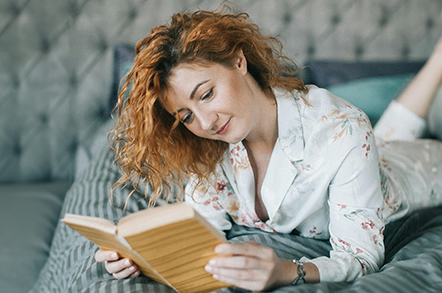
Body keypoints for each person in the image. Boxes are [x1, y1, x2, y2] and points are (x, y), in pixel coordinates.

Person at [95, 7, 442, 291]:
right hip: (370, 150)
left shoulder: (342, 128)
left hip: (415, 174)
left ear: (238, 61)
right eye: (185, 115)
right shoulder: (206, 147)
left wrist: (289, 270)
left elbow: (362, 259)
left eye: (207, 94)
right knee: (389, 134)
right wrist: (140, 255)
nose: (205, 122)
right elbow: (201, 228)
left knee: (391, 143)